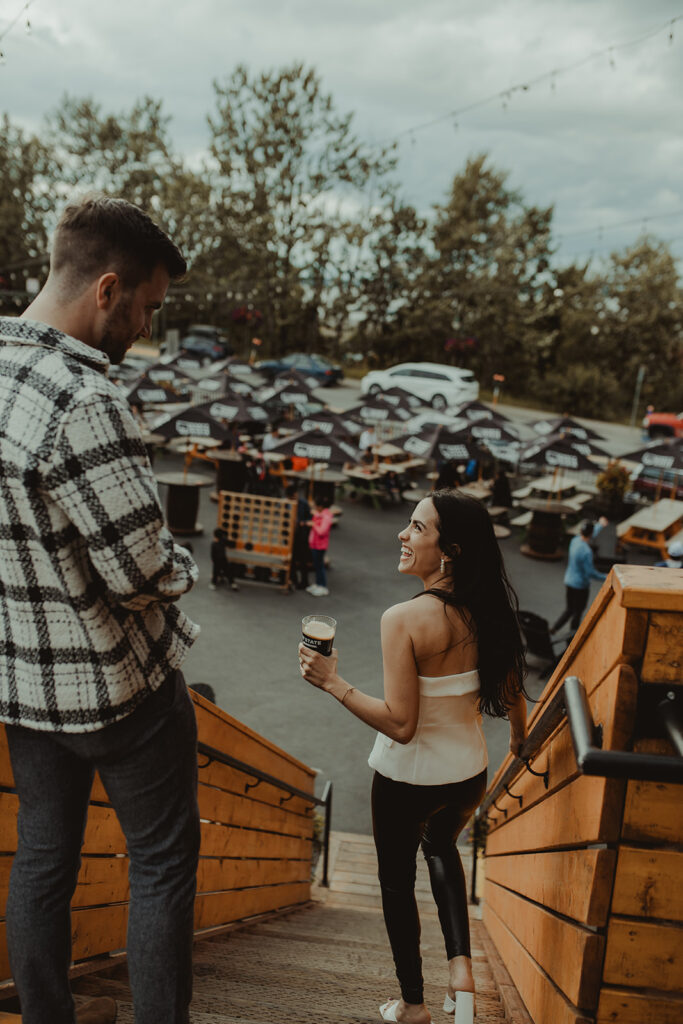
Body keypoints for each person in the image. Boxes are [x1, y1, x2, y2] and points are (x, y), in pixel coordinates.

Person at [0, 195, 201, 1024]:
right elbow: (141, 570)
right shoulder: (84, 399)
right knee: (160, 859)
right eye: (148, 307)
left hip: (18, 680)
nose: (145, 328)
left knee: (44, 857)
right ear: (108, 289)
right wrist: (182, 561)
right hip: (117, 690)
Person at [298, 490, 528, 1024]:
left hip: (408, 781)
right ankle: (462, 972)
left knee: (397, 885)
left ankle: (414, 1005)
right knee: (443, 846)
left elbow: (401, 726)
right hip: (468, 774)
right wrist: (519, 739)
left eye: (416, 528)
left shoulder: (403, 619)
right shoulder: (491, 608)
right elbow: (513, 683)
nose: (402, 535)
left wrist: (333, 683)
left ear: (447, 551)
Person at [551, 517, 609, 634]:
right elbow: (590, 573)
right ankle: (571, 637)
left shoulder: (575, 541)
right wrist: (606, 576)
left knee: (569, 609)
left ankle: (553, 629)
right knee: (578, 612)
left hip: (569, 581)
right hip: (580, 586)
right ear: (591, 533)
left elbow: (590, 533)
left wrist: (600, 525)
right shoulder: (586, 551)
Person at [285, 483, 312, 590]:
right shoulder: (286, 504)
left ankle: (304, 581)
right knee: (292, 559)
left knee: (303, 560)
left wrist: (302, 524)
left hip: (301, 536)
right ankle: (293, 579)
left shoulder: (303, 504)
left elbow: (309, 519)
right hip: (290, 536)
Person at [307, 495, 334, 597]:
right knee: (317, 565)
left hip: (320, 545)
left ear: (320, 507)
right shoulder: (321, 515)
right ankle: (318, 584)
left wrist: (314, 525)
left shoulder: (326, 517)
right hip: (315, 544)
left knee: (319, 566)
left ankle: (322, 586)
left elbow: (322, 531)